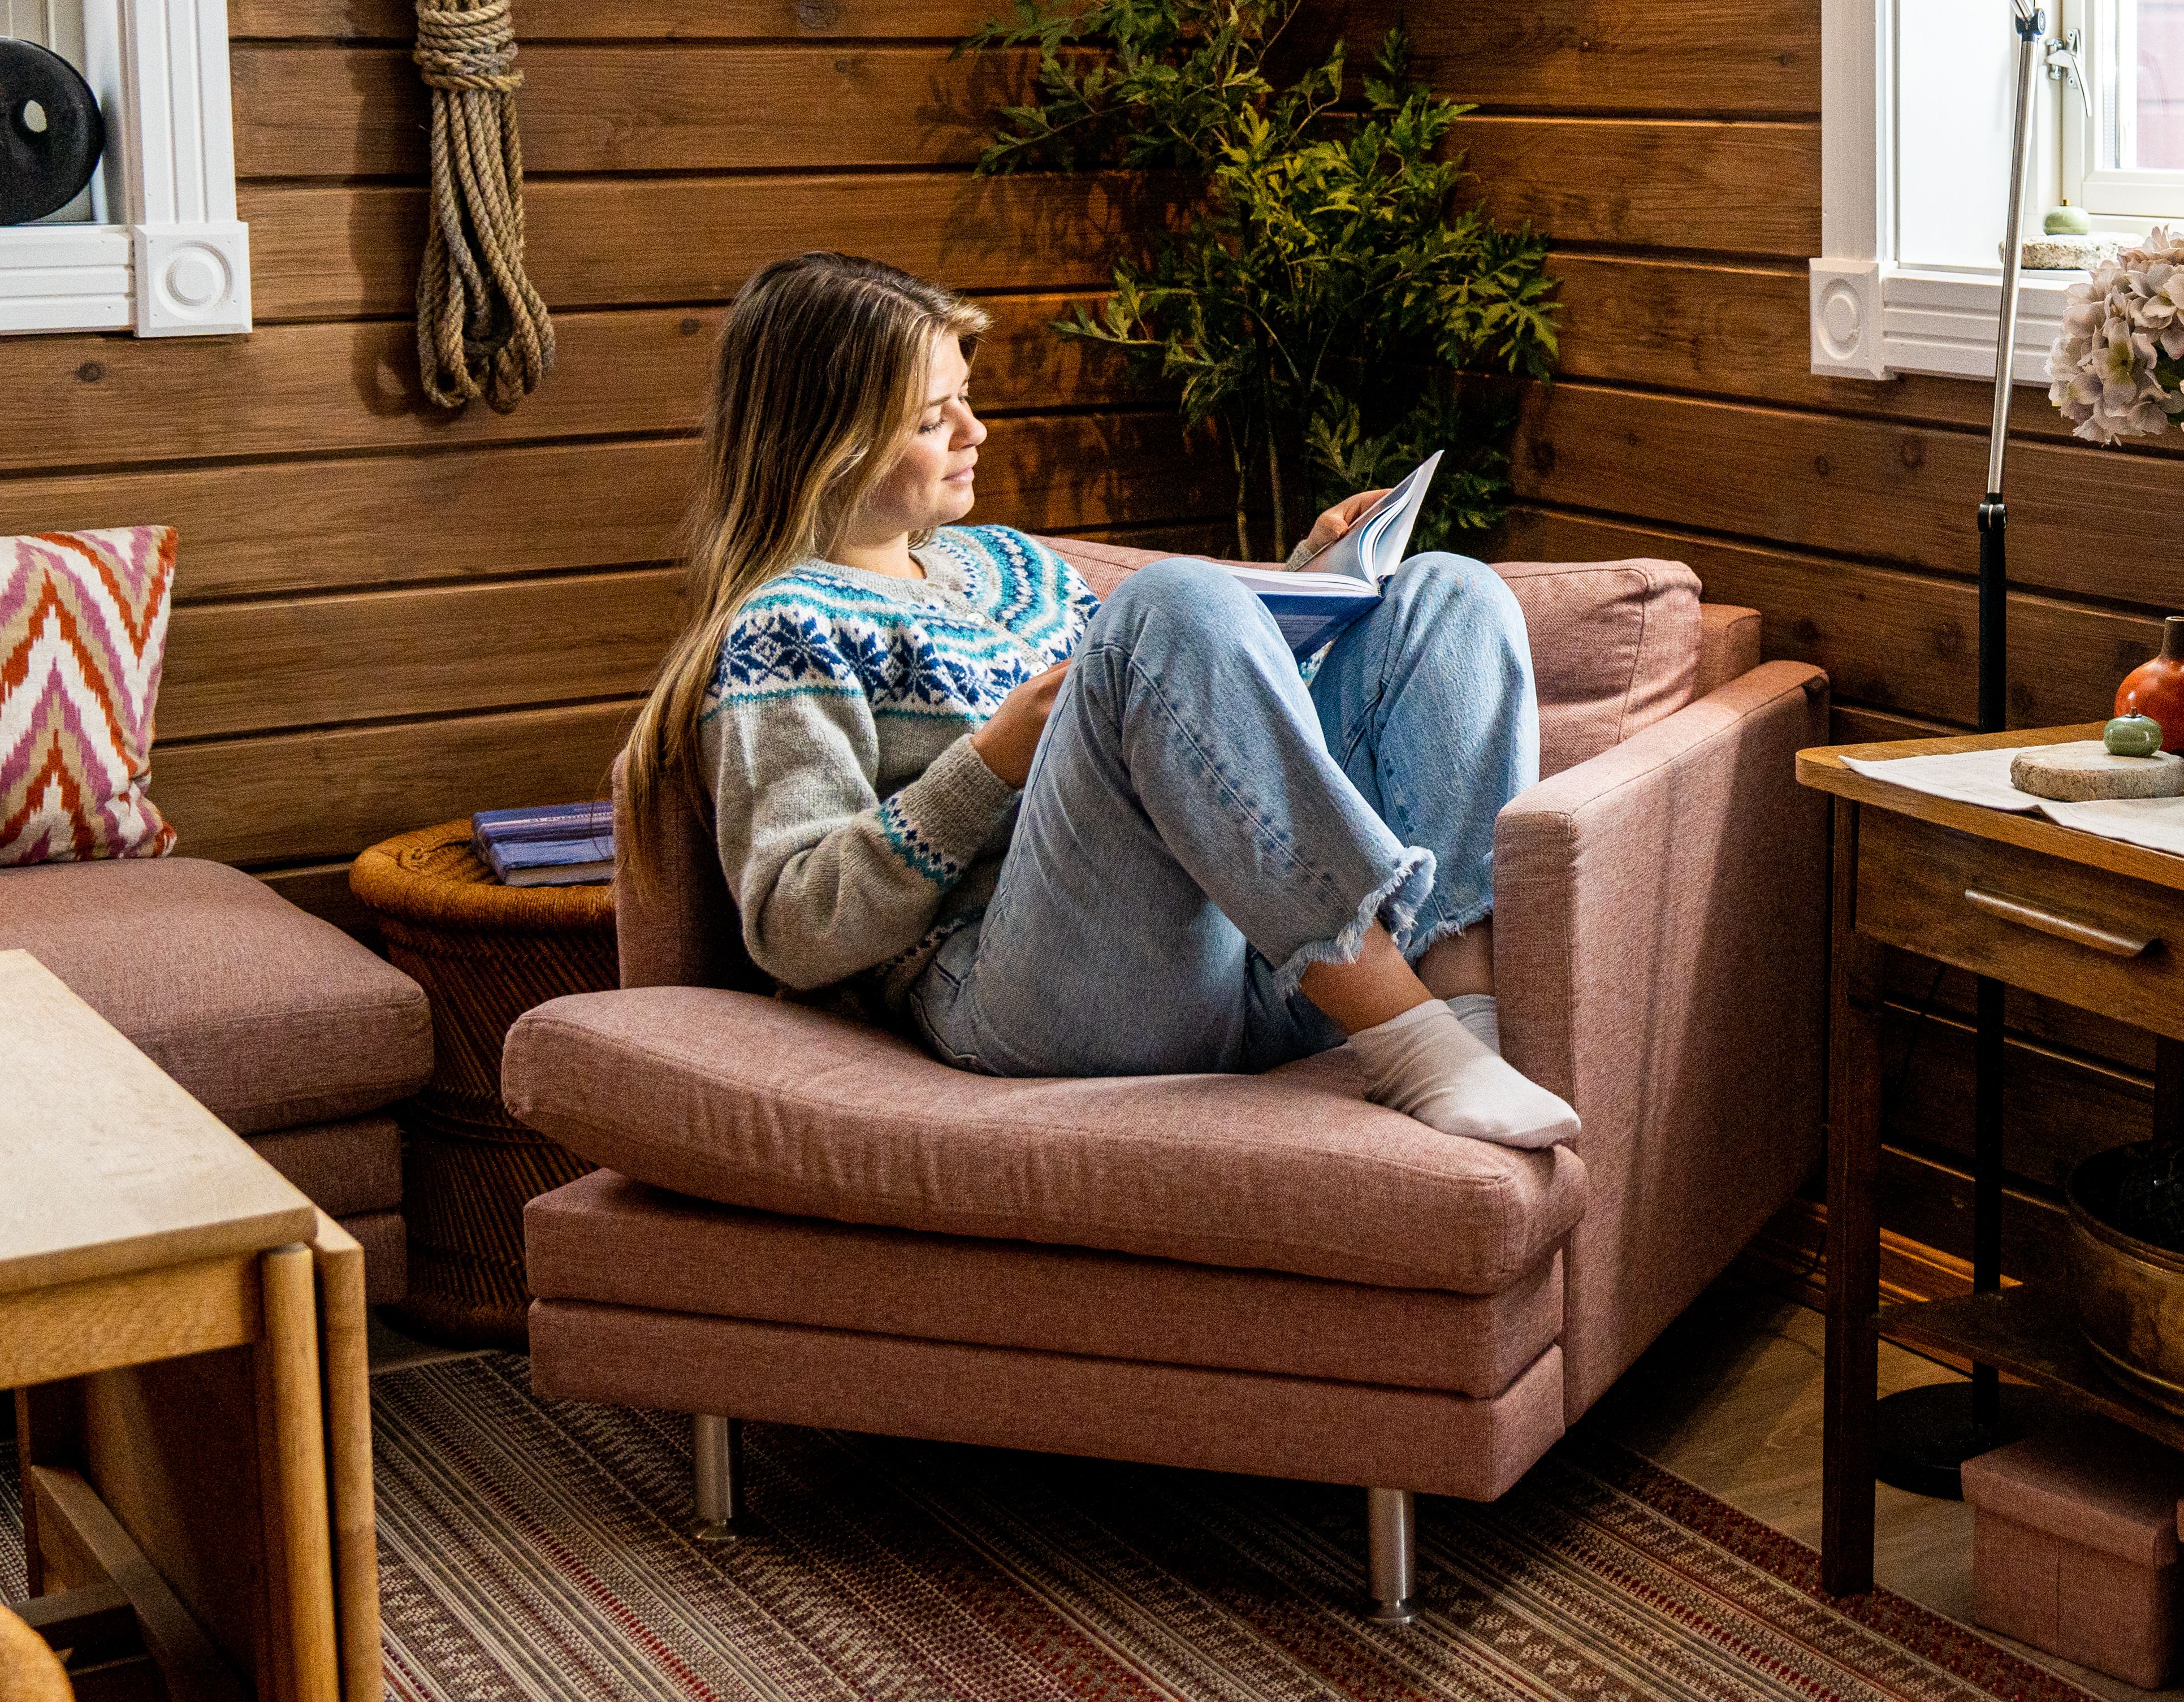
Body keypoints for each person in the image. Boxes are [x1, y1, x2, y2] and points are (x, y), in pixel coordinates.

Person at [621, 252, 1575, 1150]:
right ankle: (1413, 1044)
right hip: (1027, 996)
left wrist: (1311, 586)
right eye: (931, 419)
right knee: (1172, 603)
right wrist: (988, 764)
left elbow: (1183, 738)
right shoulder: (784, 630)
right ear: (828, 443)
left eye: (967, 401)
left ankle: (1462, 1008)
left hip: (1231, 959)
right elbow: (792, 928)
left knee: (1449, 592)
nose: (974, 434)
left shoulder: (1010, 563)